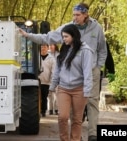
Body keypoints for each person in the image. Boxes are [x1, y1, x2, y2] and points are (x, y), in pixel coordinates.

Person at [19, 3, 107, 141]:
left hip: (92, 70)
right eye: (73, 15)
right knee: (71, 110)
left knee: (92, 101)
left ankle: (92, 134)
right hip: (73, 74)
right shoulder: (68, 28)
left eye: (78, 15)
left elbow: (102, 49)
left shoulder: (97, 28)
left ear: (86, 15)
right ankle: (75, 136)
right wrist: (28, 35)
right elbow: (47, 38)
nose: (75, 18)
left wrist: (98, 66)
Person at [50, 24, 93, 141]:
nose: (63, 39)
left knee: (77, 119)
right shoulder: (64, 50)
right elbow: (57, 70)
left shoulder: (85, 51)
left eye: (66, 37)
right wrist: (53, 85)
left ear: (74, 36)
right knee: (63, 117)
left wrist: (87, 91)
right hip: (63, 88)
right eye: (63, 37)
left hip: (79, 89)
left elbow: (88, 72)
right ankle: (64, 139)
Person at [38, 44, 56, 117]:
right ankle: (37, 111)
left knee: (44, 97)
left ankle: (43, 111)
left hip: (46, 82)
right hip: (37, 80)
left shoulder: (51, 59)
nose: (43, 48)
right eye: (41, 46)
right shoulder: (36, 57)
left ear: (47, 48)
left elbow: (53, 71)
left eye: (44, 47)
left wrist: (52, 82)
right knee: (37, 97)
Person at [48, 44, 59, 115]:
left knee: (57, 94)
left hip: (57, 76)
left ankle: (56, 108)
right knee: (49, 95)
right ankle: (50, 109)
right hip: (48, 77)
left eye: (52, 45)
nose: (51, 46)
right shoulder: (47, 54)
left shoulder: (59, 54)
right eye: (49, 45)